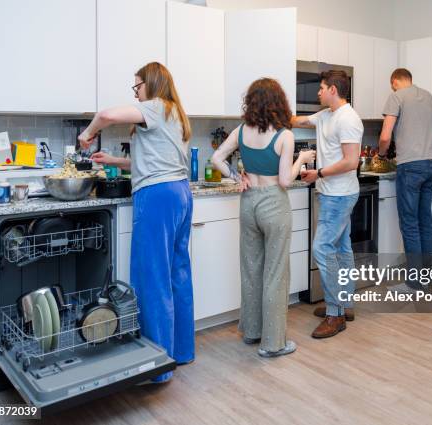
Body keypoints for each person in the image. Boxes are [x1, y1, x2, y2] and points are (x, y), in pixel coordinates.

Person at [78, 62, 194, 382]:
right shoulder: (176, 113)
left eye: (137, 86)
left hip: (156, 197)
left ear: (151, 84)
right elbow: (154, 159)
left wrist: (88, 135)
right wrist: (114, 161)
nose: (136, 92)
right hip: (180, 194)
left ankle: (156, 367)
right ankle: (181, 351)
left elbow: (106, 115)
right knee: (177, 274)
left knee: (152, 278)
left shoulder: (155, 106)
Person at [212, 78, 315, 357]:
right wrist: (301, 161)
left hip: (249, 203)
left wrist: (237, 177)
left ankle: (252, 332)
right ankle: (273, 343)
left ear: (252, 103)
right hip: (273, 203)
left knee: (251, 269)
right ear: (279, 103)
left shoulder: (242, 131)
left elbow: (217, 158)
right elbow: (284, 180)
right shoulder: (284, 136)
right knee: (275, 273)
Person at [292, 70, 363, 339]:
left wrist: (318, 173)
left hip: (339, 194)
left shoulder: (349, 119)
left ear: (333, 89)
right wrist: (269, 112)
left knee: (321, 248)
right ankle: (345, 305)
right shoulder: (325, 115)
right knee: (342, 250)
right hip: (331, 192)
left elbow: (350, 162)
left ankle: (335, 314)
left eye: (321, 88)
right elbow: (296, 119)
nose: (318, 92)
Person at [378, 68, 432, 292]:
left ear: (394, 81)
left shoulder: (396, 96)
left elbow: (385, 136)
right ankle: (425, 277)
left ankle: (414, 283)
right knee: (425, 222)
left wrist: (382, 154)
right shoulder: (430, 97)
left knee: (410, 224)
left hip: (411, 167)